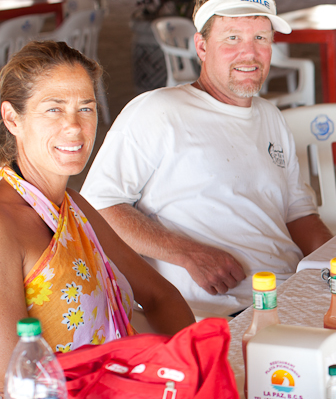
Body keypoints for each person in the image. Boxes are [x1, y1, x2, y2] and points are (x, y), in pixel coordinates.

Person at [82, 0, 333, 317]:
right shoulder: (158, 111)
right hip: (218, 313)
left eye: (261, 37)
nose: (250, 53)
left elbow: (298, 214)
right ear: (201, 46)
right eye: (232, 38)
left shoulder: (270, 116)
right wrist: (187, 253)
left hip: (290, 293)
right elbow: (97, 206)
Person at [0, 42, 194, 369]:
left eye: (86, 108)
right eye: (54, 109)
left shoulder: (74, 206)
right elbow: (11, 378)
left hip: (124, 384)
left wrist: (193, 367)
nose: (75, 126)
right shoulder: (5, 224)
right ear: (12, 119)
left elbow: (161, 296)